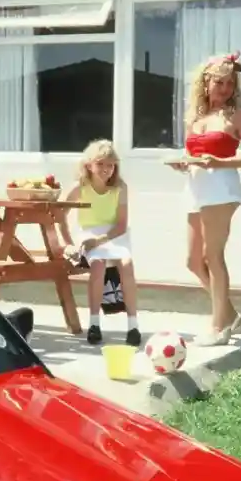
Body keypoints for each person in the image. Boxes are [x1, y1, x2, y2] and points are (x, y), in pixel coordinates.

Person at [168, 52, 241, 347]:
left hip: (221, 189)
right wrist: (184, 163)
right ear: (205, 83)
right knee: (194, 261)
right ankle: (231, 316)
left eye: (230, 83)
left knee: (213, 257)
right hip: (196, 188)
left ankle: (219, 327)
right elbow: (194, 154)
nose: (225, 88)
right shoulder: (196, 116)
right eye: (219, 82)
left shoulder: (238, 114)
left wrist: (219, 162)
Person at [59, 139, 140, 347]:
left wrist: (99, 240)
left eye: (110, 165)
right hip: (88, 232)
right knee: (97, 266)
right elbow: (59, 215)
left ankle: (133, 326)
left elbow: (121, 225)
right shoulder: (80, 187)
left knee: (127, 265)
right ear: (89, 165)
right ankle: (94, 324)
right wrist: (68, 244)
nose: (106, 169)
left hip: (114, 234)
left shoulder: (121, 187)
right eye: (101, 164)